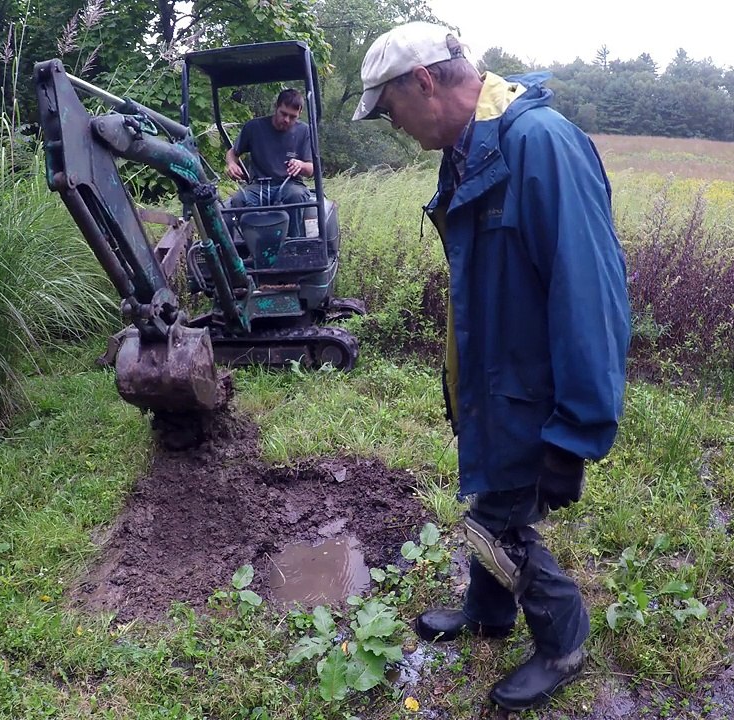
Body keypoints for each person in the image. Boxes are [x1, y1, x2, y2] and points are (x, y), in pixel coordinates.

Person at [353, 22, 631, 712]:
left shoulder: (539, 145)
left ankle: (564, 638)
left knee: (495, 523)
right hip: (496, 384)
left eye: (390, 111)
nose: (396, 128)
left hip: (533, 394)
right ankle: (488, 614)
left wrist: (576, 433)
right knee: (490, 498)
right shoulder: (468, 149)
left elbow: (589, 294)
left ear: (424, 81)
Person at [225, 88, 315, 238]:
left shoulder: (304, 131)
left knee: (296, 196)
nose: (286, 120)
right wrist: (231, 164)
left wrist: (301, 165)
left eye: (292, 117)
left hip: (289, 184)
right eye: (283, 114)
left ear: (299, 114)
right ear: (276, 107)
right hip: (258, 185)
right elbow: (232, 153)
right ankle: (252, 245)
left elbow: (311, 168)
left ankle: (293, 245)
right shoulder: (254, 127)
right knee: (239, 200)